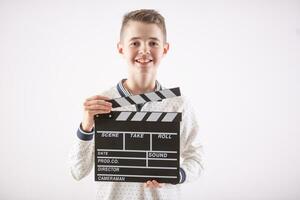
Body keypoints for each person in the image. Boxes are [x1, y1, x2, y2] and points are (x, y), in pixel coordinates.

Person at [69, 9, 204, 200]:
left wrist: (178, 174)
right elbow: (77, 171)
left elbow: (197, 159)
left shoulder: (178, 104)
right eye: (135, 42)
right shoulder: (102, 103)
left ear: (165, 49)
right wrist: (86, 127)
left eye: (153, 43)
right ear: (121, 48)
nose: (144, 50)